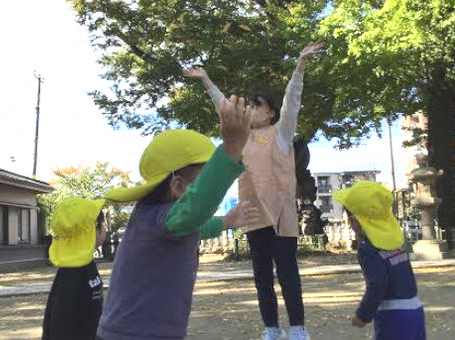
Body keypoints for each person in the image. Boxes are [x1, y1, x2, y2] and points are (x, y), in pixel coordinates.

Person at [184, 41, 324, 340]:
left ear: (270, 113)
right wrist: (207, 80)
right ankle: (272, 328)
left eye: (255, 105)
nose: (248, 108)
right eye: (248, 105)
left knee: (288, 274)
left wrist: (300, 65)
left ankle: (298, 328)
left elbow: (292, 102)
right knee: (261, 277)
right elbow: (224, 106)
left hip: (281, 216)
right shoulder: (240, 136)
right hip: (252, 214)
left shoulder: (282, 133)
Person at [95, 95, 260, 340]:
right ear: (179, 187)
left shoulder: (160, 221)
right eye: (203, 179)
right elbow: (195, 208)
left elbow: (198, 227)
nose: (208, 189)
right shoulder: (160, 219)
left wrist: (226, 222)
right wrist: (232, 147)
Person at [333, 181, 426, 340]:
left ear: (354, 221)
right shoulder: (396, 240)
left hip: (393, 316)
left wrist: (362, 315)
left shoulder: (368, 249)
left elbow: (377, 285)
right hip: (415, 311)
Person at [42, 198, 107, 340]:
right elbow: (61, 321)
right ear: (93, 228)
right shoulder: (73, 270)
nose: (105, 228)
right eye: (103, 224)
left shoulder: (85, 262)